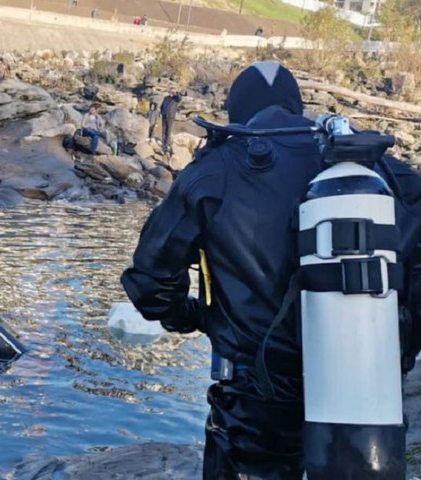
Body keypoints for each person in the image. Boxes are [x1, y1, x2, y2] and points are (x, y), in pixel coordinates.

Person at [120, 61, 421, 479]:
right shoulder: (383, 173)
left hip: (256, 395)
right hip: (365, 386)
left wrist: (191, 316)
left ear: (236, 113)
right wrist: (399, 351)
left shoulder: (214, 170)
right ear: (298, 108)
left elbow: (150, 279)